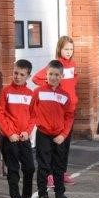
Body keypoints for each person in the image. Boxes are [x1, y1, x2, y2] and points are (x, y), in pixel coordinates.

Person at [33, 36, 78, 186]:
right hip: (56, 109)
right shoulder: (56, 66)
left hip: (69, 109)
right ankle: (50, 174)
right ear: (59, 49)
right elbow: (36, 78)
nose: (69, 52)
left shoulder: (73, 65)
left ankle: (62, 172)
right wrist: (50, 85)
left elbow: (73, 83)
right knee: (51, 147)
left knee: (64, 144)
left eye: (71, 49)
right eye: (66, 49)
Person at [0, 59, 41, 198]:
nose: (17, 77)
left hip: (24, 138)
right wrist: (9, 133)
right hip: (10, 139)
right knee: (13, 170)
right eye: (16, 73)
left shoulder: (30, 94)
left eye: (22, 74)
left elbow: (33, 116)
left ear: (28, 76)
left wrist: (27, 131)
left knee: (29, 168)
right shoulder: (6, 91)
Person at [31, 60, 73, 198]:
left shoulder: (65, 96)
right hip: (43, 134)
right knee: (43, 166)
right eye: (50, 74)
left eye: (56, 75)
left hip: (59, 136)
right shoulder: (38, 92)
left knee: (59, 166)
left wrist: (63, 135)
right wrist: (33, 125)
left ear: (62, 76)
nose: (53, 77)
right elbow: (30, 111)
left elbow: (69, 117)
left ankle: (60, 195)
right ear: (46, 75)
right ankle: (43, 195)